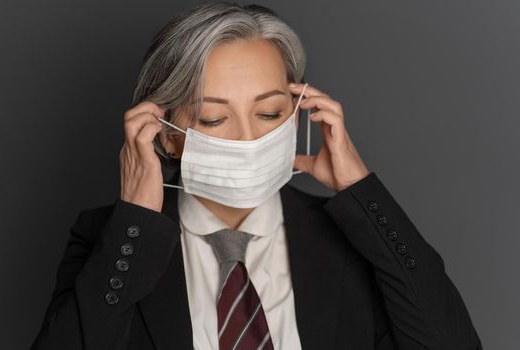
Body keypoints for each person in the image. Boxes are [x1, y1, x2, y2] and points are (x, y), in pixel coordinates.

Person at [31, 2, 482, 349]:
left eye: (269, 113)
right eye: (212, 119)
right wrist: (135, 218)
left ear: (298, 114)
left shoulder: (351, 239)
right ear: (165, 136)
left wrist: (361, 191)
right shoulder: (108, 240)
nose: (248, 139)